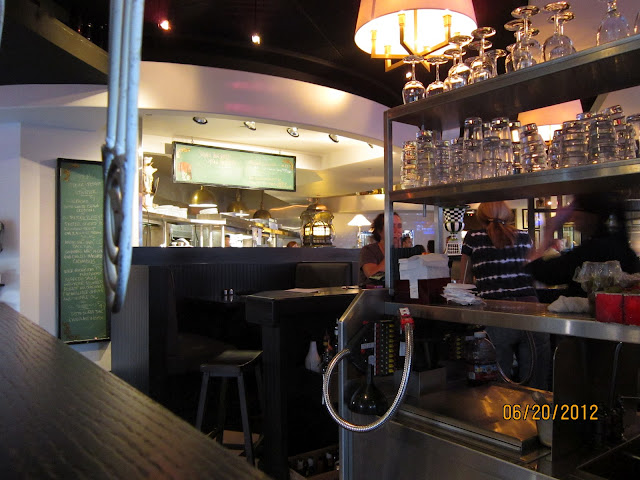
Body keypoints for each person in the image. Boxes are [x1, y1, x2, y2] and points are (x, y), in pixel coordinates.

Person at [459, 201, 550, 390]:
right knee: (536, 384)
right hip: (532, 312)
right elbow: (535, 275)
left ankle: (503, 409)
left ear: (481, 216)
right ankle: (536, 410)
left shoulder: (472, 238)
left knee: (499, 385)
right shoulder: (524, 236)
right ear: (508, 215)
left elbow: (464, 282)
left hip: (497, 313)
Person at [527, 192, 640, 297]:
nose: (571, 213)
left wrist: (550, 229)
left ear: (589, 215)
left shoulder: (593, 250)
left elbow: (539, 271)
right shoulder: (619, 246)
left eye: (575, 207)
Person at [358, 212, 402, 286]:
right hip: (374, 292)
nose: (396, 230)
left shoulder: (405, 250)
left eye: (399, 226)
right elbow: (372, 275)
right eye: (391, 226)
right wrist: (392, 251)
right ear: (379, 231)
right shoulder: (368, 250)